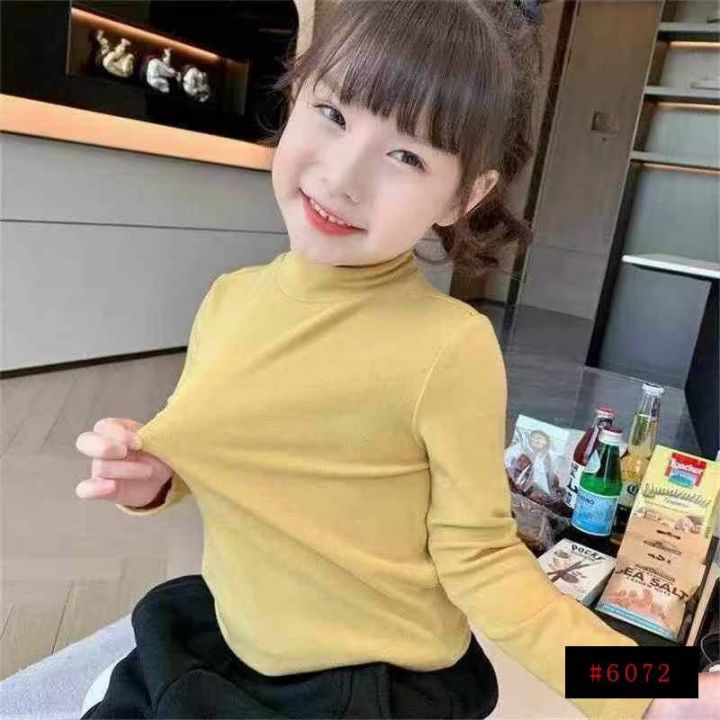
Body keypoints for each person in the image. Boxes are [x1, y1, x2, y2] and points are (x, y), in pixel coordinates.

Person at [73, 2, 719, 718]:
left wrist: (657, 694)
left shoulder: (449, 348)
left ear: (465, 195)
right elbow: (223, 446)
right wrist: (155, 476)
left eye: (407, 156)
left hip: (362, 679)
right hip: (235, 629)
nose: (343, 177)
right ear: (296, 97)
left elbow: (485, 562)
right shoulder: (228, 298)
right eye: (333, 114)